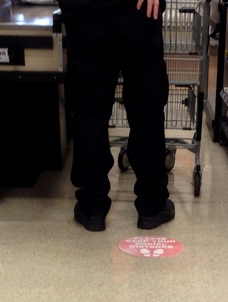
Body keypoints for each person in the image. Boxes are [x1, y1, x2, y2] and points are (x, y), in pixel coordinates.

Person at [60, 0, 175, 232]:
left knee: (89, 107)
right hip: (137, 9)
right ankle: (151, 205)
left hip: (85, 11)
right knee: (145, 106)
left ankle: (92, 207)